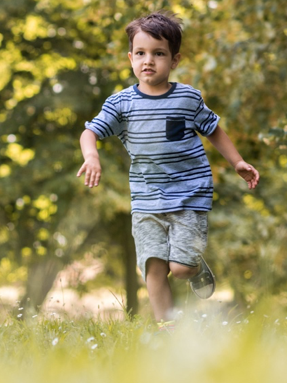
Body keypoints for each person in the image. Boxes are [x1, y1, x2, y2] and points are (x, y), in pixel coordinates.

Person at [78, 11, 259, 332]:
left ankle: (193, 265)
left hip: (189, 195)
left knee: (180, 268)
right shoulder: (121, 104)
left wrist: (238, 162)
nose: (149, 60)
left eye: (158, 53)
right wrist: (91, 156)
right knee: (153, 265)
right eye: (141, 53)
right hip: (146, 199)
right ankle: (167, 329)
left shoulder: (187, 98)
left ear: (174, 60)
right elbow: (90, 132)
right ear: (130, 58)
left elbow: (213, 129)